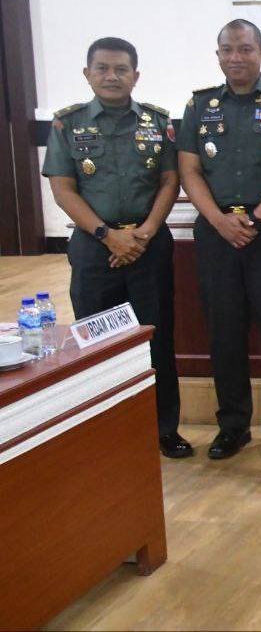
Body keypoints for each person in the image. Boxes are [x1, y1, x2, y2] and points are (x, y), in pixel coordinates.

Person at [42, 36, 188, 458]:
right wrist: (108, 235)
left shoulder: (158, 123)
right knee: (97, 342)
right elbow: (63, 189)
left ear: (135, 75)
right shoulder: (67, 124)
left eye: (121, 69)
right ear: (87, 74)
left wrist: (145, 232)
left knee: (156, 338)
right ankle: (106, 432)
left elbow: (169, 181)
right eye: (102, 68)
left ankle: (164, 429)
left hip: (148, 245)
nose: (111, 76)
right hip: (95, 247)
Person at [177, 19, 261, 460]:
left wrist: (254, 219)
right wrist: (219, 220)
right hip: (216, 233)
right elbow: (189, 170)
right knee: (224, 331)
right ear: (218, 55)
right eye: (227, 49)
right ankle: (232, 426)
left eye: (245, 49)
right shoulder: (199, 106)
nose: (236, 57)